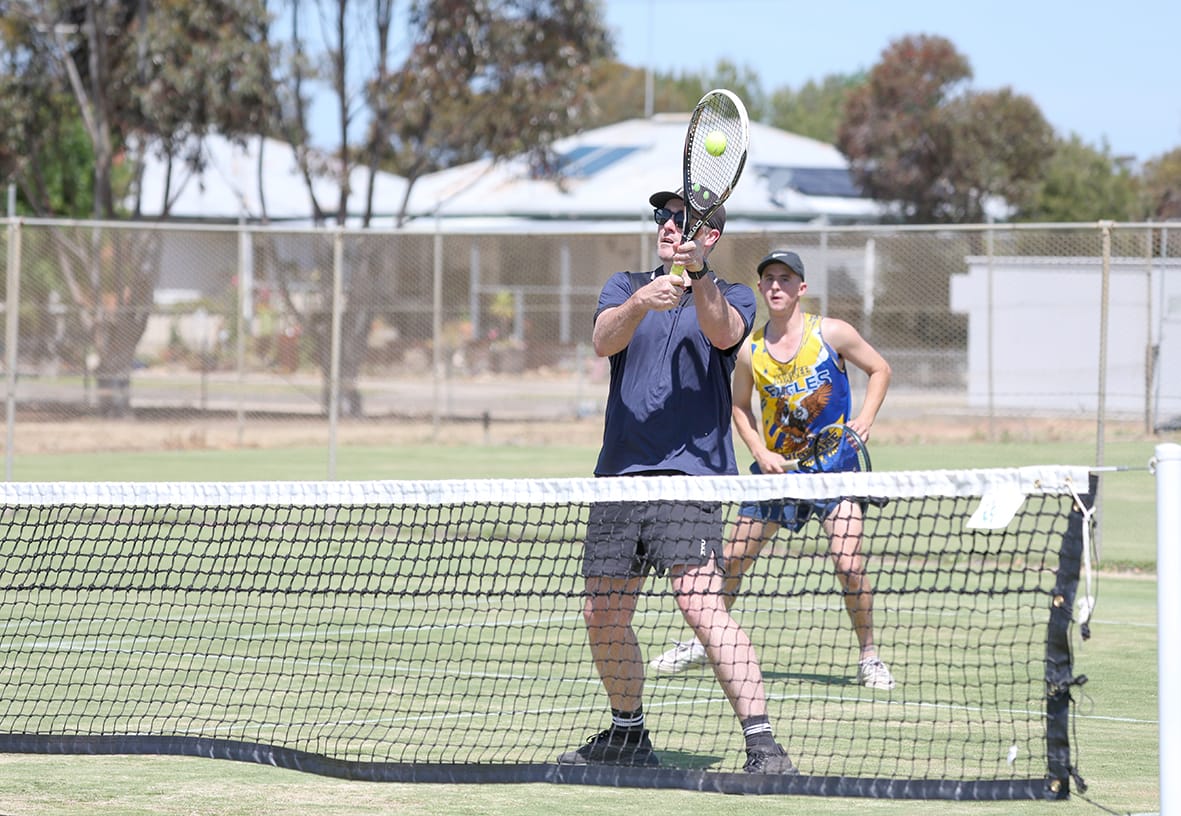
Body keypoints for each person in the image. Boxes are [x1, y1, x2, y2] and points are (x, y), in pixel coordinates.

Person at [556, 191, 797, 775]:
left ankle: (764, 745)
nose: (668, 226)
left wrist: (697, 277)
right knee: (602, 613)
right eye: (663, 219)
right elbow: (603, 341)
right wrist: (642, 300)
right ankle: (627, 735)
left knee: (700, 604)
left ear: (708, 236)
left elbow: (723, 334)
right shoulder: (624, 285)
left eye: (682, 221)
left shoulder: (731, 293)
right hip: (618, 479)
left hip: (691, 480)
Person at [649, 248, 897, 691]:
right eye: (769, 279)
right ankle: (701, 641)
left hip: (836, 472)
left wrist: (865, 421)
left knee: (848, 563)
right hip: (777, 475)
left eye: (786, 278)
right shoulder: (752, 350)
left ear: (801, 287)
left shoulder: (832, 333)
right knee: (730, 563)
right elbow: (739, 407)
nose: (776, 286)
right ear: (761, 288)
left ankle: (869, 656)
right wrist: (760, 452)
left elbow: (880, 368)